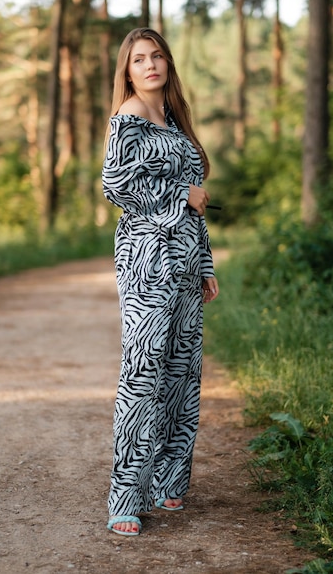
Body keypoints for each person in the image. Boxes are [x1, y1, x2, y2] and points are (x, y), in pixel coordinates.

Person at [101, 27, 219, 537]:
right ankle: (126, 495)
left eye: (157, 56)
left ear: (168, 63)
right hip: (148, 261)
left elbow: (197, 198)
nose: (150, 65)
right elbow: (115, 185)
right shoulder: (126, 118)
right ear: (127, 71)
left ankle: (168, 481)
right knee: (144, 374)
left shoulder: (172, 119)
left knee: (181, 374)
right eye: (138, 59)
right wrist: (179, 199)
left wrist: (207, 263)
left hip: (186, 261)